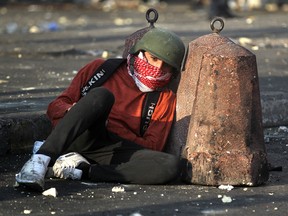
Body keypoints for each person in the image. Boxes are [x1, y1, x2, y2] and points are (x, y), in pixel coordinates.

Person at [15, 27, 186, 191]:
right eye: (154, 59)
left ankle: (82, 170)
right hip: (79, 135)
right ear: (139, 53)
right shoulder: (101, 69)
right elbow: (55, 107)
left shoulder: (164, 98)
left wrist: (111, 125)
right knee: (102, 96)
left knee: (172, 166)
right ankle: (40, 160)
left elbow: (152, 146)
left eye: (166, 66)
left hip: (110, 149)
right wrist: (76, 112)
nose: (158, 69)